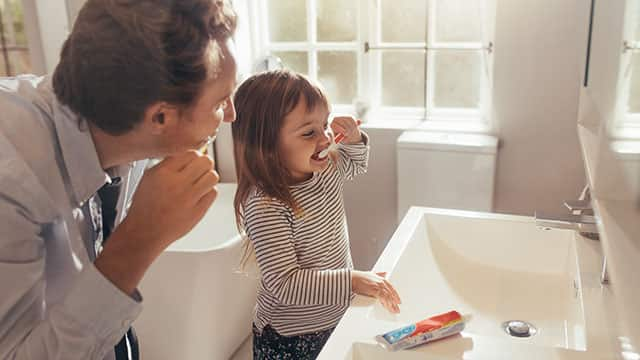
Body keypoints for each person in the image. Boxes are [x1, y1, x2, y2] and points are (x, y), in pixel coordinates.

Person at [0, 0, 237, 359]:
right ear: (160, 118)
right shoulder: (12, 178)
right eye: (221, 102)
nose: (231, 115)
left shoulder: (123, 129)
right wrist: (140, 238)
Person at [232, 70, 402, 360]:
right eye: (309, 132)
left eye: (325, 125)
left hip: (334, 315)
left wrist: (355, 136)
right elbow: (285, 284)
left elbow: (354, 162)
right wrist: (353, 281)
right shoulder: (266, 206)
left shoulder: (324, 170)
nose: (325, 139)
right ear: (266, 145)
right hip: (290, 338)